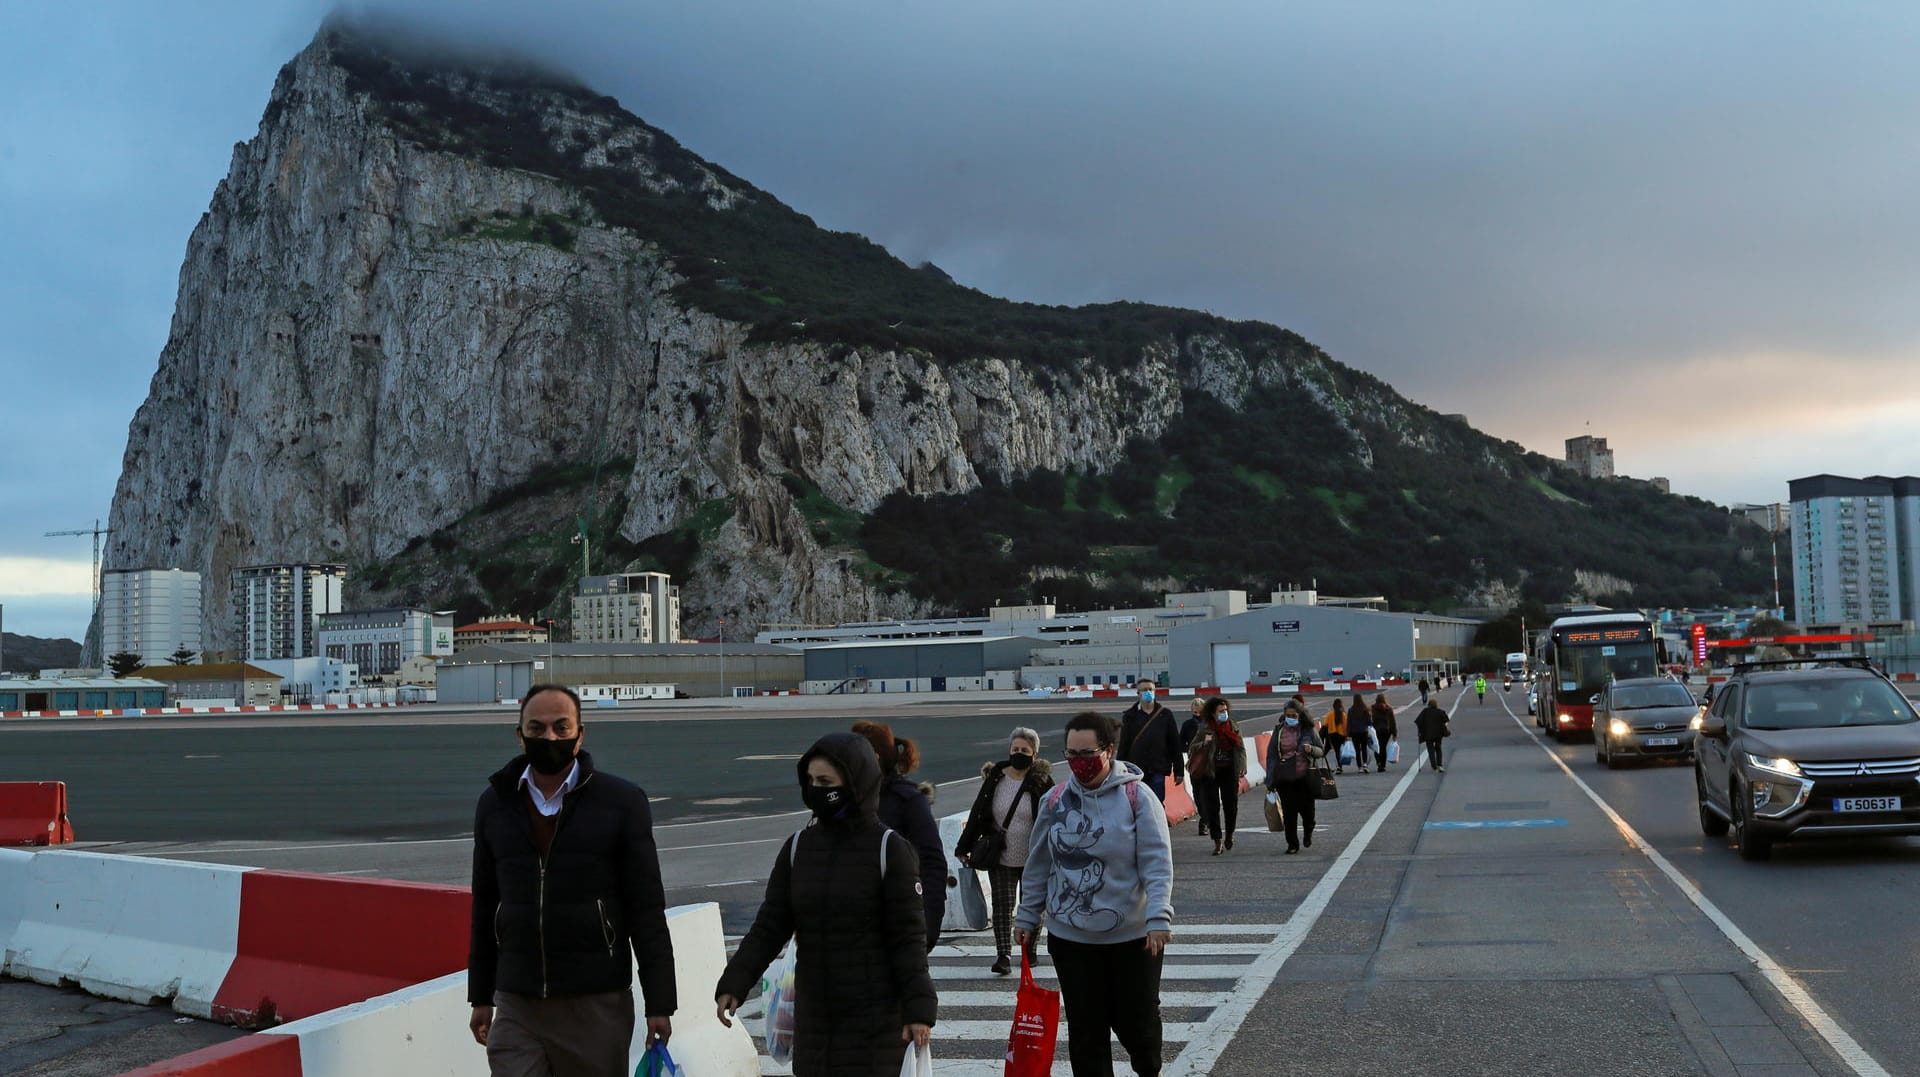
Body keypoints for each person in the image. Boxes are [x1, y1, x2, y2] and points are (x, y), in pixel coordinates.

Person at [468, 685, 675, 1077]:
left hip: (596, 1003)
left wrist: (660, 1003)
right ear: (519, 734)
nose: (549, 738)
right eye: (537, 727)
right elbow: (485, 905)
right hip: (517, 1000)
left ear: (580, 735)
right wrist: (480, 995)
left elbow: (646, 909)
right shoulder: (494, 804)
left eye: (562, 728)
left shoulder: (622, 802)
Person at [715, 733, 936, 1075]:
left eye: (825, 781)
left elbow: (908, 938)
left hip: (875, 1020)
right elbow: (770, 924)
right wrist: (735, 981)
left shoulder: (889, 849)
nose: (816, 789)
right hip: (815, 1020)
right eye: (811, 781)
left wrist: (919, 1010)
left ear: (855, 782)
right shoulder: (798, 848)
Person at [1014, 712, 1173, 1077]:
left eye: (1087, 753)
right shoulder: (1054, 801)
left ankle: (1148, 1067)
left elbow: (1156, 862)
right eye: (1071, 754)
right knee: (1087, 1033)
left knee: (1138, 1025)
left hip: (1133, 940)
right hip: (1072, 940)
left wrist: (1158, 917)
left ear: (1109, 750)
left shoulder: (1137, 796)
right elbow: (1038, 864)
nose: (1079, 763)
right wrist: (1027, 916)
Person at [956, 726, 1056, 975]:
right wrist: (964, 846)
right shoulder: (996, 778)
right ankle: (1003, 955)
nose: (1019, 753)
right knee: (1003, 906)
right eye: (1015, 749)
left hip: (1035, 856)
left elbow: (1056, 815)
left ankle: (1029, 949)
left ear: (1034, 754)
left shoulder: (1041, 780)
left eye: (1024, 750)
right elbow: (978, 812)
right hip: (1000, 853)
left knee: (1032, 905)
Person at [851, 721, 947, 951]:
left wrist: (927, 928)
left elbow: (932, 863)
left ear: (874, 757)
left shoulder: (907, 801)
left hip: (896, 928)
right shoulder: (845, 801)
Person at [1186, 696, 1247, 855]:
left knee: (1231, 805)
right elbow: (1192, 748)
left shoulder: (1233, 727)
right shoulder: (1205, 728)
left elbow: (1240, 748)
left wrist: (1242, 766)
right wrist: (1204, 743)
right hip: (1210, 772)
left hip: (1229, 771)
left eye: (1225, 710)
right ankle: (1217, 841)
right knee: (1211, 807)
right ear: (1213, 713)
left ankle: (1229, 835)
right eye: (1220, 711)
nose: (1224, 713)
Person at [1264, 700, 1324, 853]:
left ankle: (1308, 831)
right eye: (1287, 715)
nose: (1290, 718)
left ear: (1300, 715)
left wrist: (1311, 749)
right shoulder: (1279, 730)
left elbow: (1321, 751)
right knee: (1289, 812)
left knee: (1307, 812)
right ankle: (1292, 844)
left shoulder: (1308, 730)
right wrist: (1270, 779)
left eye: (1293, 715)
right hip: (1284, 777)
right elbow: (1271, 755)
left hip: (1304, 777)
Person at [1116, 679, 1184, 803]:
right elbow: (1124, 745)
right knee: (1139, 802)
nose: (1148, 692)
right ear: (1138, 693)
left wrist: (1179, 770)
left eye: (1150, 689)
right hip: (1136, 769)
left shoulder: (1165, 715)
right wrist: (1120, 768)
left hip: (1158, 767)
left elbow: (1175, 744)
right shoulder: (1130, 716)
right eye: (1144, 690)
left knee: (1157, 802)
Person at [1179, 697, 1209, 837]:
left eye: (1199, 710)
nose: (1197, 713)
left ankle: (1206, 819)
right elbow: (1180, 743)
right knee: (1197, 792)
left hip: (1209, 762)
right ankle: (1204, 818)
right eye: (1195, 711)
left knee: (1208, 793)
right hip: (1195, 763)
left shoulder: (1210, 724)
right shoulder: (1187, 725)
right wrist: (1191, 749)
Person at [1415, 699, 1452, 772]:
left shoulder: (1425, 712)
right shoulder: (1440, 712)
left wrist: (1420, 731)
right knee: (1438, 748)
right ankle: (1439, 764)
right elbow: (1446, 720)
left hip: (1428, 734)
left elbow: (1418, 721)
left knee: (1430, 749)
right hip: (1438, 734)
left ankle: (1433, 765)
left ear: (1429, 705)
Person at [1370, 693, 1398, 771]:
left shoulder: (1373, 708)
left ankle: (1378, 763)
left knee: (1377, 747)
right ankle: (1383, 765)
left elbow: (1371, 720)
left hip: (1376, 730)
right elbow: (1392, 722)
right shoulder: (1388, 709)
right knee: (1383, 747)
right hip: (1386, 731)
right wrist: (1394, 733)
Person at [1346, 692, 1373, 773]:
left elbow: (1349, 722)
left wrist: (1348, 734)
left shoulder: (1351, 710)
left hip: (1354, 732)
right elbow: (1369, 721)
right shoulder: (1365, 709)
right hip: (1363, 731)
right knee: (1364, 748)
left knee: (1357, 750)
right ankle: (1365, 764)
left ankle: (1359, 767)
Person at [1323, 698, 1349, 774]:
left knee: (1337, 751)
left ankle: (1339, 767)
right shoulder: (1344, 715)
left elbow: (1325, 725)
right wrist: (1347, 736)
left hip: (1332, 735)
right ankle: (1341, 765)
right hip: (1342, 735)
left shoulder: (1330, 714)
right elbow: (1346, 726)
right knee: (1341, 750)